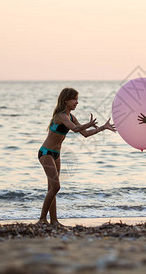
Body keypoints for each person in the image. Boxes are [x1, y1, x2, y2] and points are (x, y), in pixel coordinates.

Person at [38, 87, 116, 226]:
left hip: (56, 155)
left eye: (77, 99)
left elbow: (85, 134)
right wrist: (89, 123)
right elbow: (74, 129)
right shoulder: (61, 116)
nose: (77, 102)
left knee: (52, 188)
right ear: (66, 100)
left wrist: (102, 127)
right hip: (46, 153)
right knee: (55, 187)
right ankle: (42, 219)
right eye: (74, 99)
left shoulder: (72, 117)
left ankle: (54, 221)